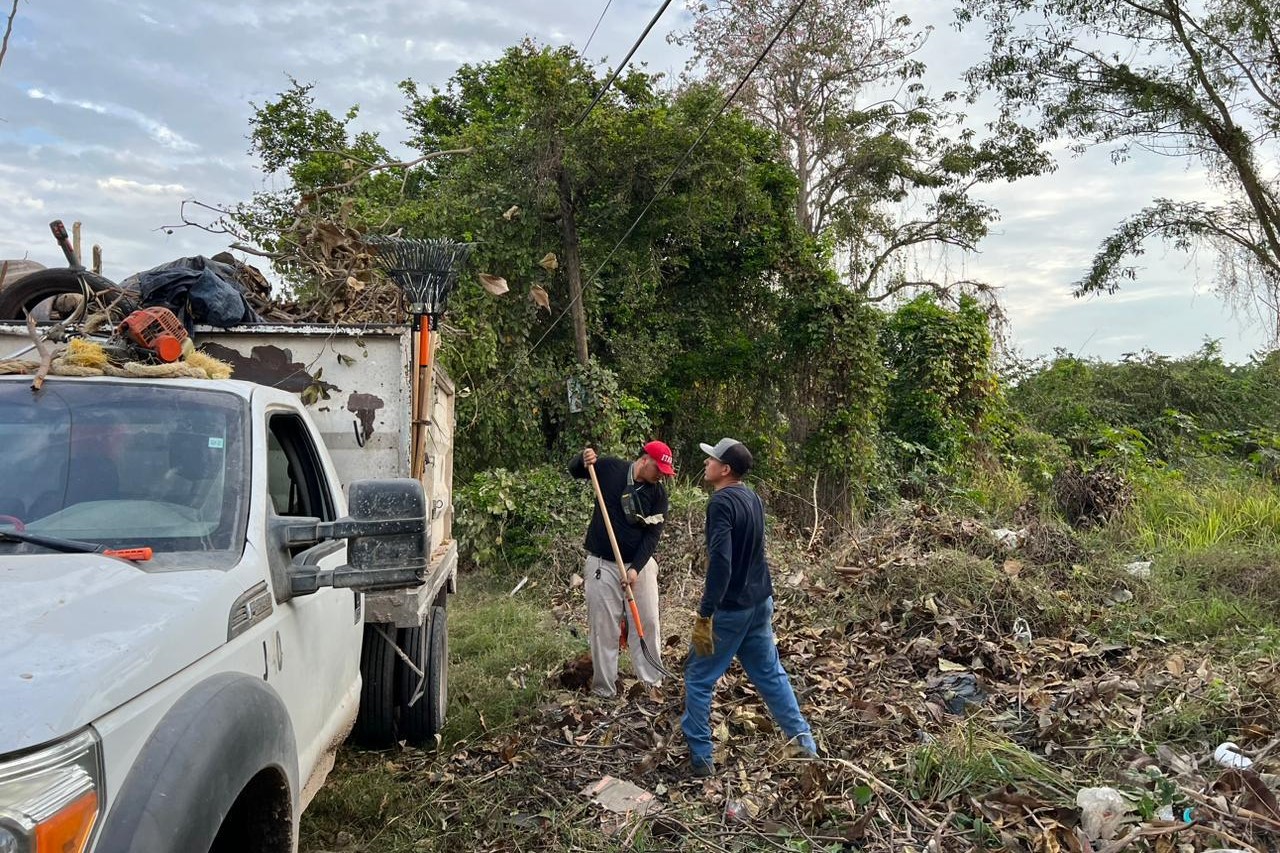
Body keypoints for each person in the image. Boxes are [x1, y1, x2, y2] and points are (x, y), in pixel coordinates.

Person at [681, 438, 816, 777]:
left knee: (698, 678)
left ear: (725, 469)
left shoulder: (721, 503)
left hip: (732, 608)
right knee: (771, 675)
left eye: (712, 459)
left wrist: (706, 611)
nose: (707, 463)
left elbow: (722, 562)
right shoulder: (752, 497)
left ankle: (701, 760)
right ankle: (805, 746)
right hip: (760, 602)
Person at [569, 441, 675, 697]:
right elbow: (575, 470)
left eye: (665, 471)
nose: (661, 475)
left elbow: (652, 537)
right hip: (602, 564)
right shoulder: (609, 468)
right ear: (644, 459)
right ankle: (605, 690)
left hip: (639, 564)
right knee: (604, 628)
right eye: (658, 468)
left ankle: (651, 684)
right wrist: (582, 459)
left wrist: (635, 569)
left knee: (648, 621)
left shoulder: (658, 495)